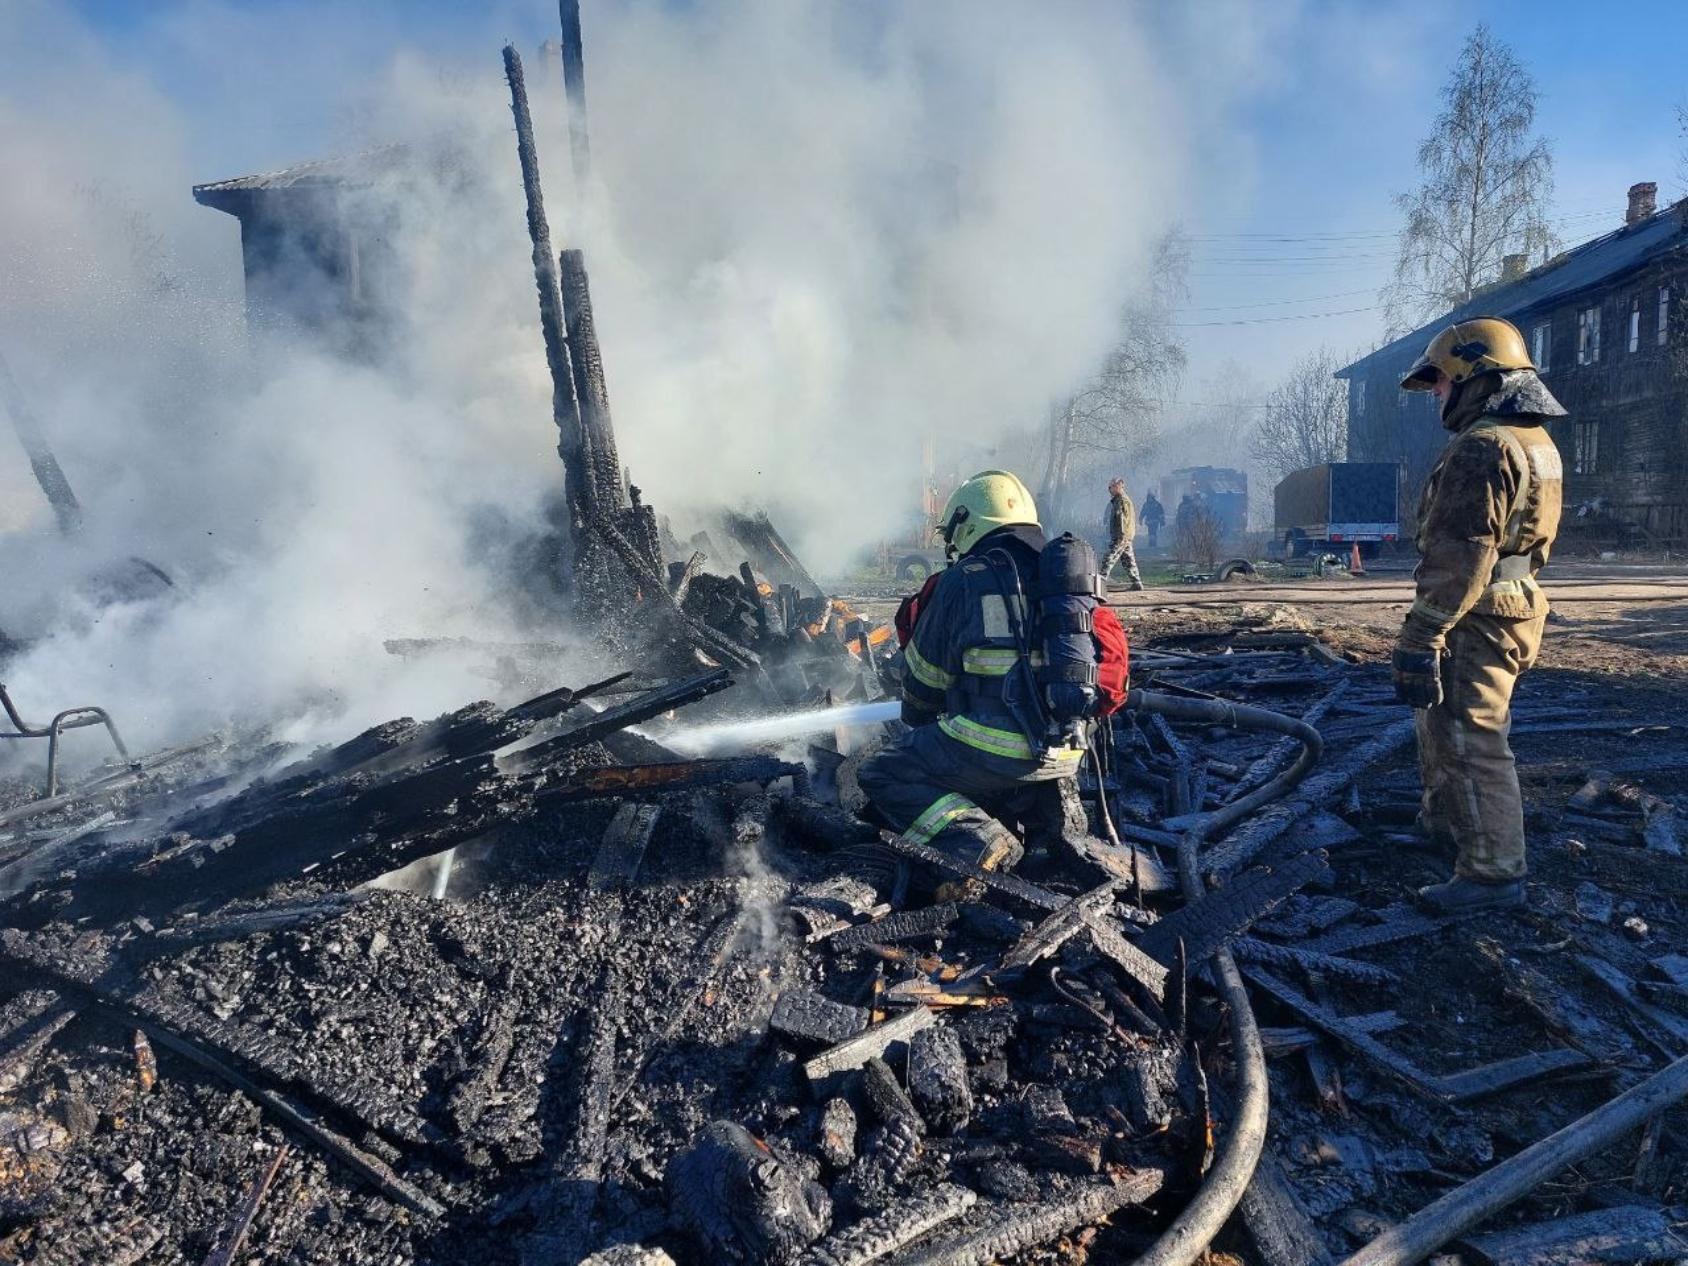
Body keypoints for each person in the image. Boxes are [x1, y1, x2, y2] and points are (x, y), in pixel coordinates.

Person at [1393, 317, 1564, 913]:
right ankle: (1445, 826)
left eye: (1441, 383)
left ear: (1474, 375)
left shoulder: (1484, 446)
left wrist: (1421, 633)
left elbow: (1462, 554)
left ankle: (1493, 874)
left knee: (1471, 738)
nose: (1437, 395)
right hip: (1507, 605)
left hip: (1478, 612)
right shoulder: (1531, 440)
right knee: (1441, 723)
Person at [858, 470, 1088, 879]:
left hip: (992, 748)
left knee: (881, 771)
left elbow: (924, 683)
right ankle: (1045, 829)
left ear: (968, 522)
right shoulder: (1066, 582)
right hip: (1067, 750)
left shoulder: (965, 580)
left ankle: (975, 838)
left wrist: (919, 718)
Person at [1100, 477, 1145, 590]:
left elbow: (1122, 519)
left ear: (1119, 486)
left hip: (1122, 535)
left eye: (1112, 487)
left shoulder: (1122, 500)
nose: (1110, 489)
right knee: (1128, 560)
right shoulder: (1120, 500)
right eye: (1110, 487)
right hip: (1125, 535)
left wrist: (1120, 535)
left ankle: (1100, 582)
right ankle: (1137, 583)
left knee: (1109, 557)